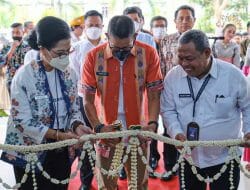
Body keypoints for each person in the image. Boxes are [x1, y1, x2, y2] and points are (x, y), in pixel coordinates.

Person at [1, 16, 93, 190]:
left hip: (61, 149)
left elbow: (74, 109)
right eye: (60, 53)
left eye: (68, 51)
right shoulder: (24, 76)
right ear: (42, 48)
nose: (65, 57)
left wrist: (77, 125)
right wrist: (58, 135)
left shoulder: (70, 74)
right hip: (29, 152)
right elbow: (23, 121)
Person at [160, 29, 250, 190]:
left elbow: (248, 106)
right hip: (188, 158)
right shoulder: (173, 77)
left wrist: (248, 131)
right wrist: (176, 132)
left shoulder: (233, 76)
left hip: (226, 158)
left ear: (207, 52)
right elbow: (168, 110)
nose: (184, 64)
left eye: (189, 58)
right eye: (180, 58)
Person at [81, 15, 162, 190]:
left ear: (135, 36)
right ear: (106, 36)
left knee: (139, 183)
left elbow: (154, 94)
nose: (120, 53)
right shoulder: (93, 57)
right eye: (115, 48)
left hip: (139, 131)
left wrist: (153, 124)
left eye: (126, 48)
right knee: (107, 184)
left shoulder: (148, 54)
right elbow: (87, 100)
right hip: (107, 132)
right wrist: (99, 128)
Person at [160, 4, 196, 181]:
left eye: (188, 18)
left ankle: (191, 165)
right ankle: (169, 167)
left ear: (194, 21)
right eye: (180, 18)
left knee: (190, 127)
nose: (184, 21)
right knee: (169, 130)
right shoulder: (166, 40)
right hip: (170, 91)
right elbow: (160, 66)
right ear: (175, 22)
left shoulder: (201, 40)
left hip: (195, 93)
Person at [69, 10, 104, 190]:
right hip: (85, 102)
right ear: (84, 28)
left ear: (103, 27)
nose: (94, 29)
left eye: (97, 25)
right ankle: (86, 180)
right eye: (90, 25)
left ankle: (109, 177)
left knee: (108, 140)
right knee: (86, 144)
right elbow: (74, 76)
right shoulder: (78, 48)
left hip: (105, 103)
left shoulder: (109, 46)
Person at [147, 15, 167, 174]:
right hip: (150, 93)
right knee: (151, 123)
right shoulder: (146, 44)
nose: (159, 29)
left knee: (168, 126)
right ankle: (152, 156)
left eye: (162, 26)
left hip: (168, 91)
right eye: (156, 26)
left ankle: (170, 161)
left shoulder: (170, 44)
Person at [0, 23, 30, 94]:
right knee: (14, 104)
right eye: (13, 32)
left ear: (23, 32)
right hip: (11, 81)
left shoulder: (29, 47)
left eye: (17, 32)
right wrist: (12, 49)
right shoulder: (6, 47)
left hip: (25, 81)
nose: (15, 35)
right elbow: (2, 64)